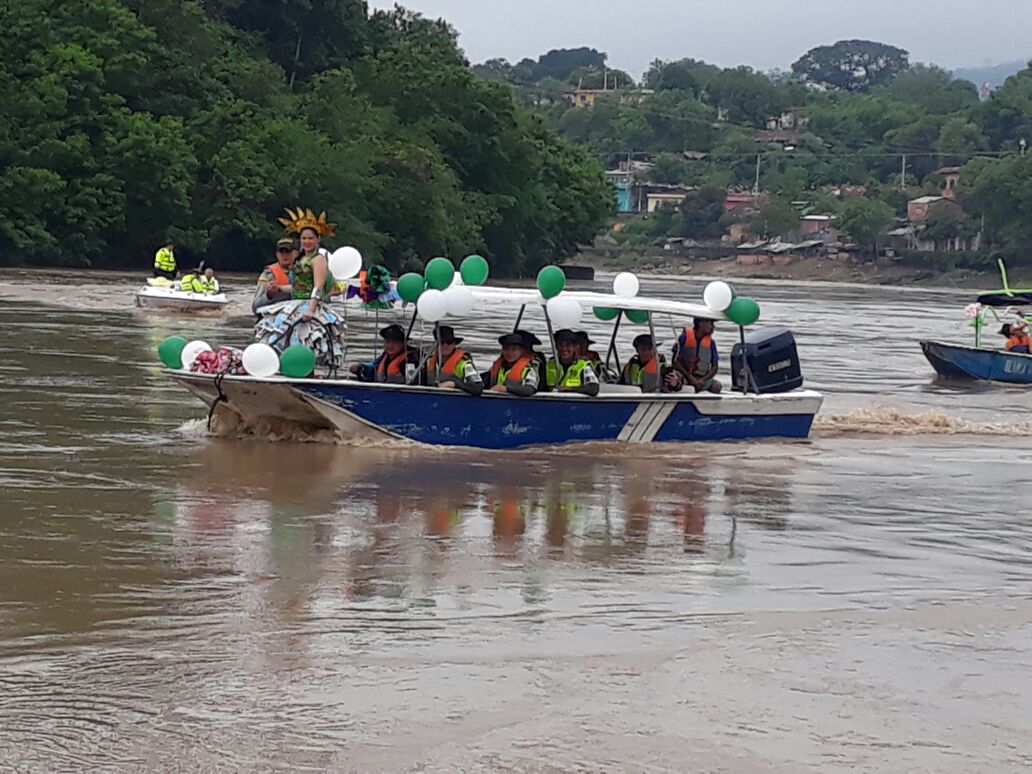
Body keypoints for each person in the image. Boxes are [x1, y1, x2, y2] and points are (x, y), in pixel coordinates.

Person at [424, 325, 483, 395]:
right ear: (436, 345)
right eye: (442, 343)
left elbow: (478, 387)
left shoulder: (464, 363)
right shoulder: (428, 361)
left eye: (449, 342)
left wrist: (453, 384)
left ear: (454, 344)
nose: (445, 345)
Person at [351, 324, 420, 384]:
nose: (390, 346)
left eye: (394, 342)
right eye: (387, 342)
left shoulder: (412, 358)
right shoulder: (385, 356)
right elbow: (373, 366)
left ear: (404, 343)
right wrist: (361, 368)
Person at [544, 329, 600, 396]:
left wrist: (570, 389)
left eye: (568, 345)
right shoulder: (549, 364)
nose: (564, 349)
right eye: (560, 345)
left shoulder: (584, 365)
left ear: (575, 347)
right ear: (556, 346)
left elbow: (593, 389)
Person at [674, 317, 722, 393]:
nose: (713, 327)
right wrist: (690, 377)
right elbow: (675, 362)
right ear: (701, 323)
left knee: (717, 386)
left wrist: (703, 379)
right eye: (711, 323)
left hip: (702, 379)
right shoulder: (683, 338)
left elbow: (714, 367)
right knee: (674, 380)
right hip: (684, 376)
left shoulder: (711, 343)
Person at [252, 238, 297, 313]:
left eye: (288, 252)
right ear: (277, 255)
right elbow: (255, 306)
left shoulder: (304, 272)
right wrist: (269, 295)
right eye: (281, 252)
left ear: (295, 253)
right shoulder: (268, 274)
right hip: (275, 315)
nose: (284, 255)